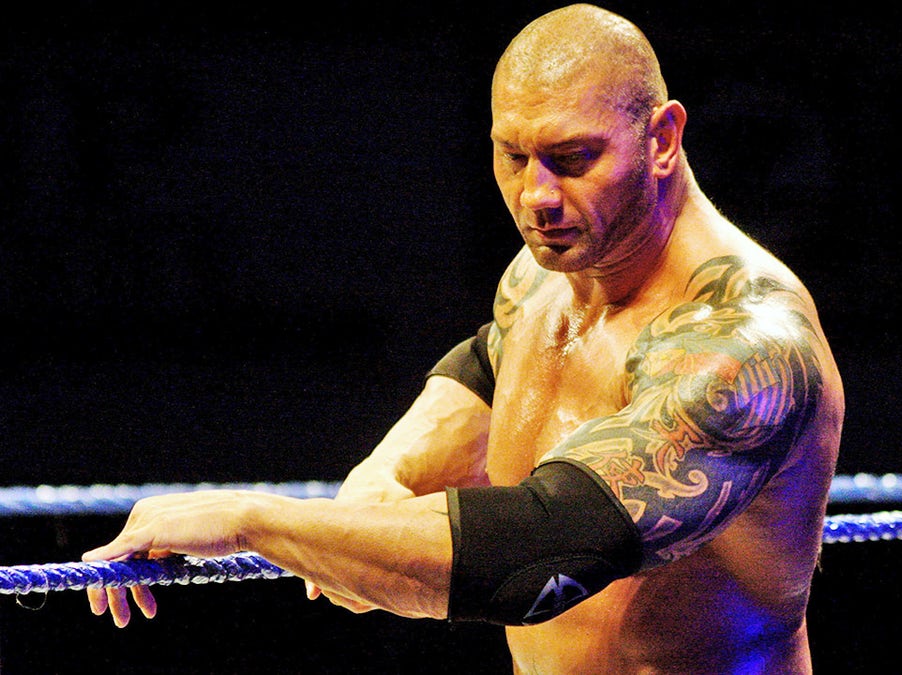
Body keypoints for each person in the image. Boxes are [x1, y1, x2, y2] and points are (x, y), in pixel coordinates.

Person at [84, 4, 844, 673]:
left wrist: (251, 520)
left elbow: (542, 557)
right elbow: (491, 363)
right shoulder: (547, 271)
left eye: (574, 159)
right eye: (514, 156)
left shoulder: (746, 348)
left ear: (663, 139)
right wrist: (387, 472)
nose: (538, 197)